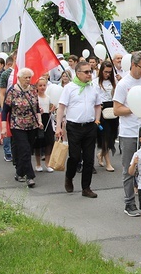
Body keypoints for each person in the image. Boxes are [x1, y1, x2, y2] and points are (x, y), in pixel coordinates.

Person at [114, 51, 141, 216]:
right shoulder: (124, 84)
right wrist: (135, 109)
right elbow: (117, 109)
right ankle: (129, 203)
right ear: (133, 65)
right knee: (129, 169)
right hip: (129, 132)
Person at [56, 60, 102, 197]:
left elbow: (98, 105)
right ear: (78, 73)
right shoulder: (69, 88)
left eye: (91, 71)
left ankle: (86, 188)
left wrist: (97, 120)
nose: (89, 74)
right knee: (75, 156)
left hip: (89, 126)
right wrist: (58, 126)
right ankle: (69, 177)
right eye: (86, 72)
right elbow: (61, 107)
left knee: (89, 159)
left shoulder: (93, 87)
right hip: (74, 126)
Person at [1, 68, 41, 187]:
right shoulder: (12, 91)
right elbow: (5, 111)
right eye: (26, 77)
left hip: (32, 125)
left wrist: (39, 121)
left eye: (29, 77)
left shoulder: (33, 89)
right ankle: (30, 176)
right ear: (19, 78)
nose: (28, 80)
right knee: (25, 149)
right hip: (17, 125)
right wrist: (4, 128)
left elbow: (37, 107)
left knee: (28, 150)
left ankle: (19, 172)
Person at [96, 60, 118, 172]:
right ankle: (108, 162)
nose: (107, 74)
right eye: (105, 72)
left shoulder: (114, 82)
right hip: (102, 110)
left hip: (113, 109)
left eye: (109, 72)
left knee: (112, 137)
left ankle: (101, 154)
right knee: (105, 137)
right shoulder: (96, 82)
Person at [33, 77, 54, 174]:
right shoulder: (35, 97)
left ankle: (47, 163)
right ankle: (38, 164)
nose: (42, 87)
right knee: (38, 142)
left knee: (49, 141)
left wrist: (52, 109)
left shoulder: (48, 97)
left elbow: (50, 108)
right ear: (36, 86)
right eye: (40, 85)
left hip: (47, 119)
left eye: (44, 85)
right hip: (38, 120)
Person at [0, 56, 15, 162]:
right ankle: (8, 152)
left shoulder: (24, 72)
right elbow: (2, 93)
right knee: (7, 129)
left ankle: (16, 151)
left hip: (21, 107)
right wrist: (3, 107)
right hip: (8, 105)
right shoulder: (6, 74)